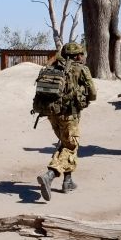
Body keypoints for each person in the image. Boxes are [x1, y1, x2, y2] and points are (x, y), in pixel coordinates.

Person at [35, 42, 98, 201]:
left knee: (64, 143)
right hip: (69, 115)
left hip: (51, 113)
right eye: (81, 54)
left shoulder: (53, 66)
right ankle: (51, 174)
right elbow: (93, 94)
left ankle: (67, 181)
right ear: (77, 55)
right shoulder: (81, 69)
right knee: (71, 145)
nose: (82, 57)